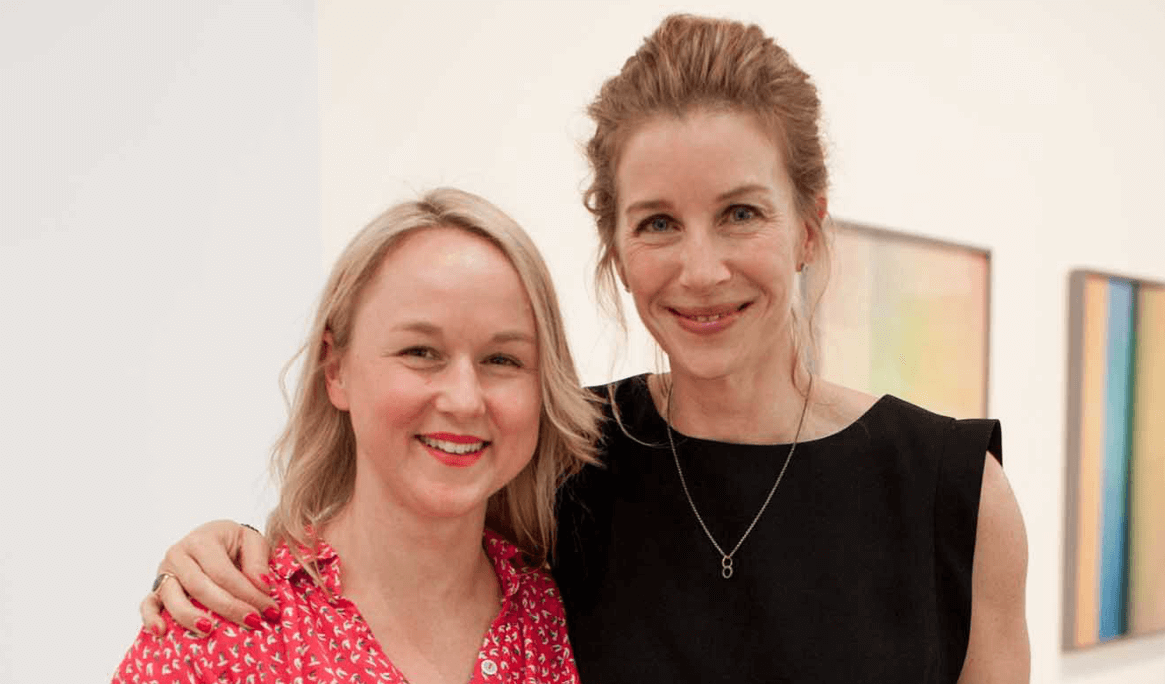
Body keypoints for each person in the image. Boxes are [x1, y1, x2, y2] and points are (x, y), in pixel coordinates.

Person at [136, 14, 1029, 683]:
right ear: (615, 249)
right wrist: (223, 548)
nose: (701, 269)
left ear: (807, 226)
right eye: (657, 223)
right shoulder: (562, 459)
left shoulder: (954, 497)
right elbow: (385, 542)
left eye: (740, 213)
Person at [114, 188, 601, 684]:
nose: (464, 400)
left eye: (502, 359)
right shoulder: (215, 636)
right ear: (335, 369)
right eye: (420, 352)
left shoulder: (573, 615)